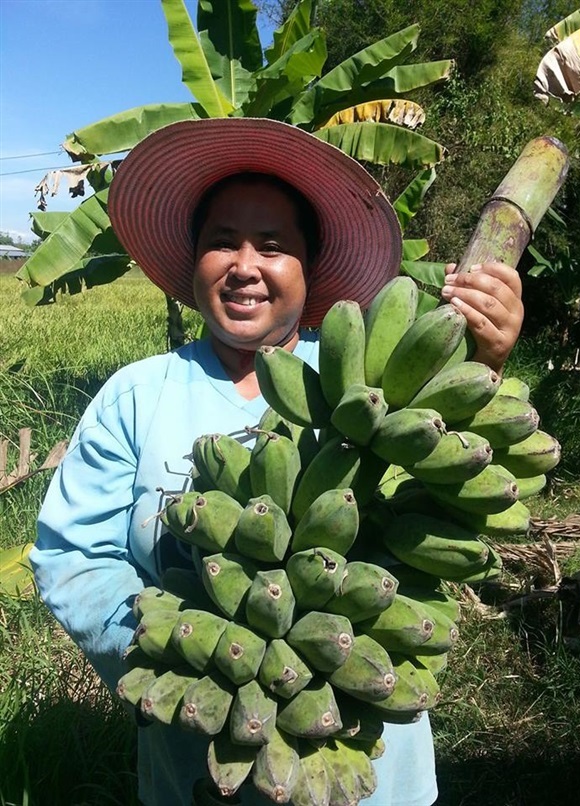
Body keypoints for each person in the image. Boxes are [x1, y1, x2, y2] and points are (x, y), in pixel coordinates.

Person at [30, 117, 524, 806]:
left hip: (361, 742)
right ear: (194, 260)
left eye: (272, 246)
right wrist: (185, 647)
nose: (244, 266)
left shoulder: (371, 392)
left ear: (308, 267)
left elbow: (445, 508)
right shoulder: (138, 396)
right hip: (201, 757)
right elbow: (71, 556)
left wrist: (484, 366)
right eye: (220, 242)